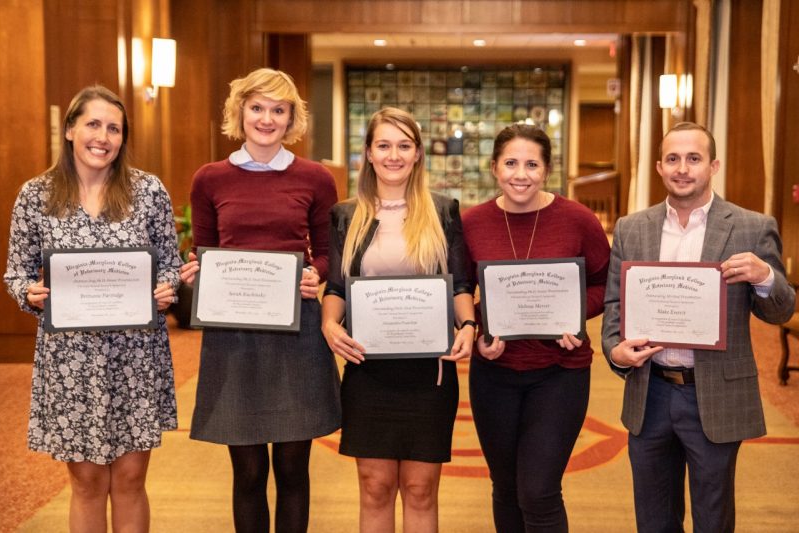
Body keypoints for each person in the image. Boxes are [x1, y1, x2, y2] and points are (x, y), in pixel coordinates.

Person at [601, 121, 795, 532]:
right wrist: (615, 350)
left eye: (694, 158)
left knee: (713, 518)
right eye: (673, 159)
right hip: (650, 392)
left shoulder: (751, 227)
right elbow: (616, 304)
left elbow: (781, 312)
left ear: (713, 165)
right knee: (653, 519)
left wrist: (764, 278)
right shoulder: (631, 228)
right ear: (659, 166)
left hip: (714, 395)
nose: (683, 168)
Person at [3, 85, 181, 531]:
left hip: (137, 357)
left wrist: (166, 288)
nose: (103, 137)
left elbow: (170, 264)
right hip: (71, 361)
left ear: (123, 138)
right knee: (85, 483)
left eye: (114, 128)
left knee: (130, 478)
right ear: (69, 130)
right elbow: (16, 273)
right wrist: (30, 294)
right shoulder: (36, 195)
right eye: (93, 124)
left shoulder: (148, 191)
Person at [179, 68, 341, 533]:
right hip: (234, 338)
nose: (266, 119)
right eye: (257, 108)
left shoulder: (315, 177)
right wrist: (195, 270)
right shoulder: (209, 179)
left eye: (278, 109)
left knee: (293, 470)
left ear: (291, 118)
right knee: (247, 472)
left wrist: (316, 276)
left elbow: (328, 252)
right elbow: (204, 251)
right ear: (239, 112)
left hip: (297, 334)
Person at [320, 106, 475, 532]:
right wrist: (329, 324)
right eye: (383, 145)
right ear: (367, 153)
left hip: (430, 372)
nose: (394, 155)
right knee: (374, 485)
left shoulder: (443, 212)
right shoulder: (346, 216)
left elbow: (461, 284)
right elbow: (336, 289)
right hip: (368, 369)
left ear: (418, 154)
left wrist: (467, 326)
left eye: (404, 146)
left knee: (421, 489)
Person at [461, 124, 610, 532]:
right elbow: (460, 291)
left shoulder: (578, 220)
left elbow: (606, 283)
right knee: (505, 487)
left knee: (539, 490)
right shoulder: (472, 223)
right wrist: (477, 332)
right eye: (510, 163)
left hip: (560, 372)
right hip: (494, 374)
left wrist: (574, 313)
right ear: (494, 167)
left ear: (546, 170)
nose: (520, 174)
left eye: (532, 164)